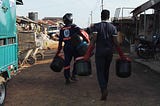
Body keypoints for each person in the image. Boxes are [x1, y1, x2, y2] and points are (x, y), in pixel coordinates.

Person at [84, 9, 128, 100]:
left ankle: (103, 89)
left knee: (100, 72)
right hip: (109, 53)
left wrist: (87, 54)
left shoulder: (96, 26)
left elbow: (93, 40)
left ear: (101, 16)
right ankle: (105, 87)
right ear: (108, 16)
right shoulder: (113, 28)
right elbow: (116, 43)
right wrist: (121, 55)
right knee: (106, 70)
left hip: (100, 52)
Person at [55, 13, 90, 85]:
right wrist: (87, 41)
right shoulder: (74, 27)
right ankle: (74, 75)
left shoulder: (62, 30)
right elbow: (83, 33)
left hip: (67, 48)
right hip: (75, 47)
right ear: (71, 20)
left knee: (67, 63)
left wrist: (58, 52)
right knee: (76, 61)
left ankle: (67, 78)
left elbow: (60, 42)